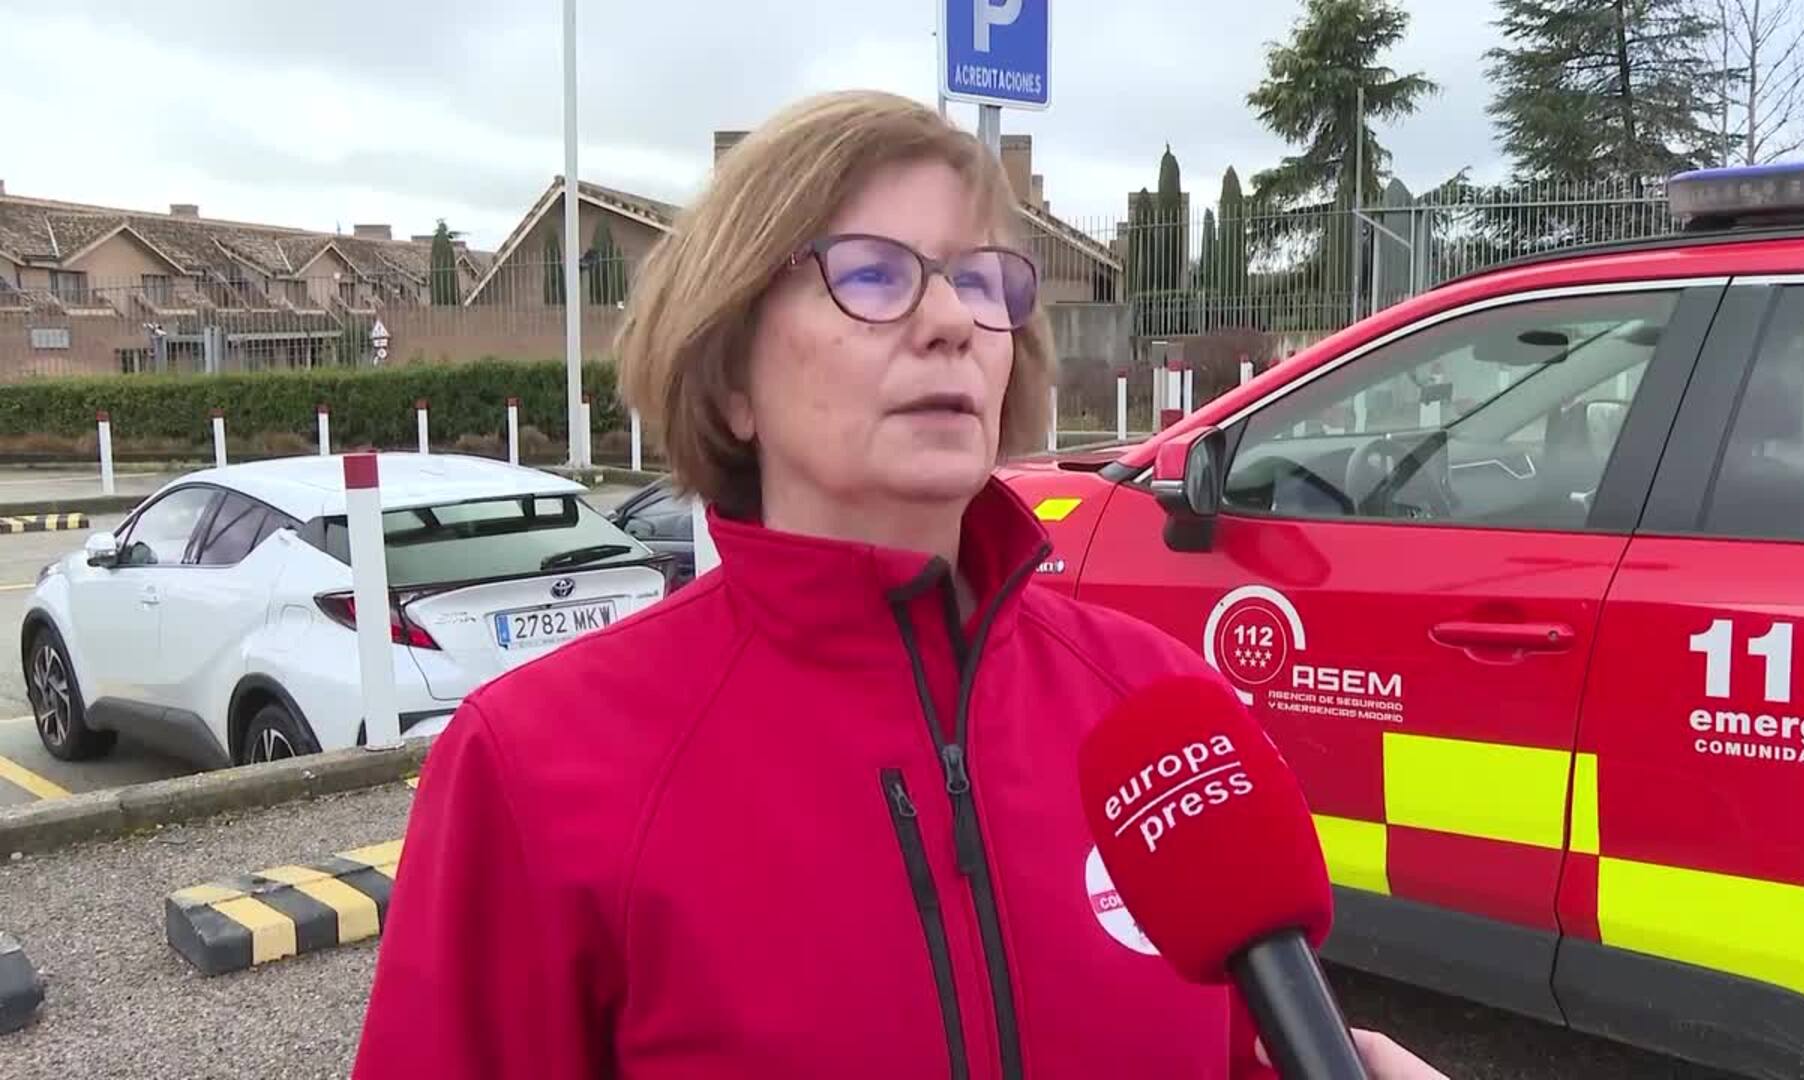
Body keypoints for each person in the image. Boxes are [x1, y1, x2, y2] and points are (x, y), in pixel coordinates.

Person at [352, 88, 1443, 1079]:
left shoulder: (1160, 711)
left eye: (981, 280)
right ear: (731, 378)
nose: (953, 319)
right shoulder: (533, 765)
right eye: (873, 274)